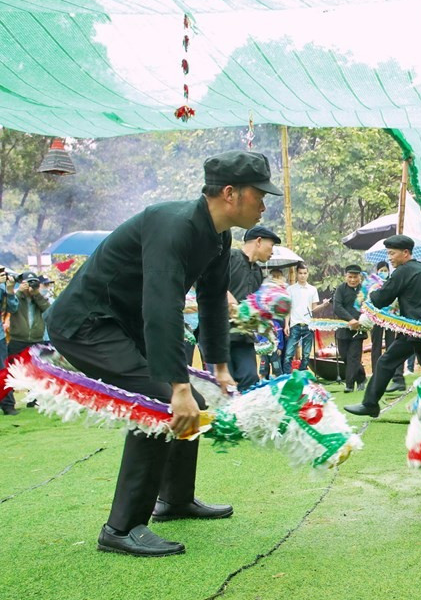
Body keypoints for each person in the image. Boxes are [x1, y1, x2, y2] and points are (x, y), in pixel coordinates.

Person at [44, 150, 282, 557]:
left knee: (196, 403)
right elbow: (162, 306)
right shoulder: (173, 225)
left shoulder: (219, 236)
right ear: (230, 193)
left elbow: (210, 303)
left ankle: (174, 500)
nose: (264, 204)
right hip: (86, 323)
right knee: (161, 401)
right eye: (260, 194)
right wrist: (176, 384)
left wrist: (220, 367)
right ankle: (121, 527)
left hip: (124, 324)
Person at [344, 235, 421, 418]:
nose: (389, 257)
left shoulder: (403, 271)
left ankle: (370, 404)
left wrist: (369, 295)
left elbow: (383, 298)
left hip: (416, 329)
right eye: (388, 253)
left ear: (405, 253)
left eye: (392, 253)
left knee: (386, 362)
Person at [226, 225, 280, 391]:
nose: (272, 252)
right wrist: (228, 299)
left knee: (249, 380)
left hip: (244, 338)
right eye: (271, 246)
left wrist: (264, 321)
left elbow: (255, 304)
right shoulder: (229, 257)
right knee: (225, 386)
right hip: (219, 335)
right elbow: (205, 281)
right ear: (258, 241)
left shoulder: (258, 272)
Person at [284, 264, 326, 371]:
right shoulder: (290, 289)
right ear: (297, 274)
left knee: (306, 355)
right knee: (288, 354)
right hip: (295, 325)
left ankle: (302, 378)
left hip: (308, 325)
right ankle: (287, 378)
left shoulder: (312, 289)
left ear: (308, 274)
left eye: (305, 273)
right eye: (300, 273)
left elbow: (314, 309)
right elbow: (287, 309)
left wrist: (324, 304)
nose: (302, 276)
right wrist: (286, 325)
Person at [333, 265, 367, 393]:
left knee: (353, 357)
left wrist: (360, 320)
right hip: (343, 329)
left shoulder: (364, 290)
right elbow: (337, 307)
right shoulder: (340, 289)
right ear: (345, 276)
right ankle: (362, 378)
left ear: (360, 277)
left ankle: (349, 385)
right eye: (350, 277)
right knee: (345, 357)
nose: (353, 280)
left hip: (359, 329)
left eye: (355, 277)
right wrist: (350, 319)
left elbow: (369, 306)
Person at [0, 265, 20, 415]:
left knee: (3, 370)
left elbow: (13, 308)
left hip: (0, 336)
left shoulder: (3, 289)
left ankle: (8, 405)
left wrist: (10, 291)